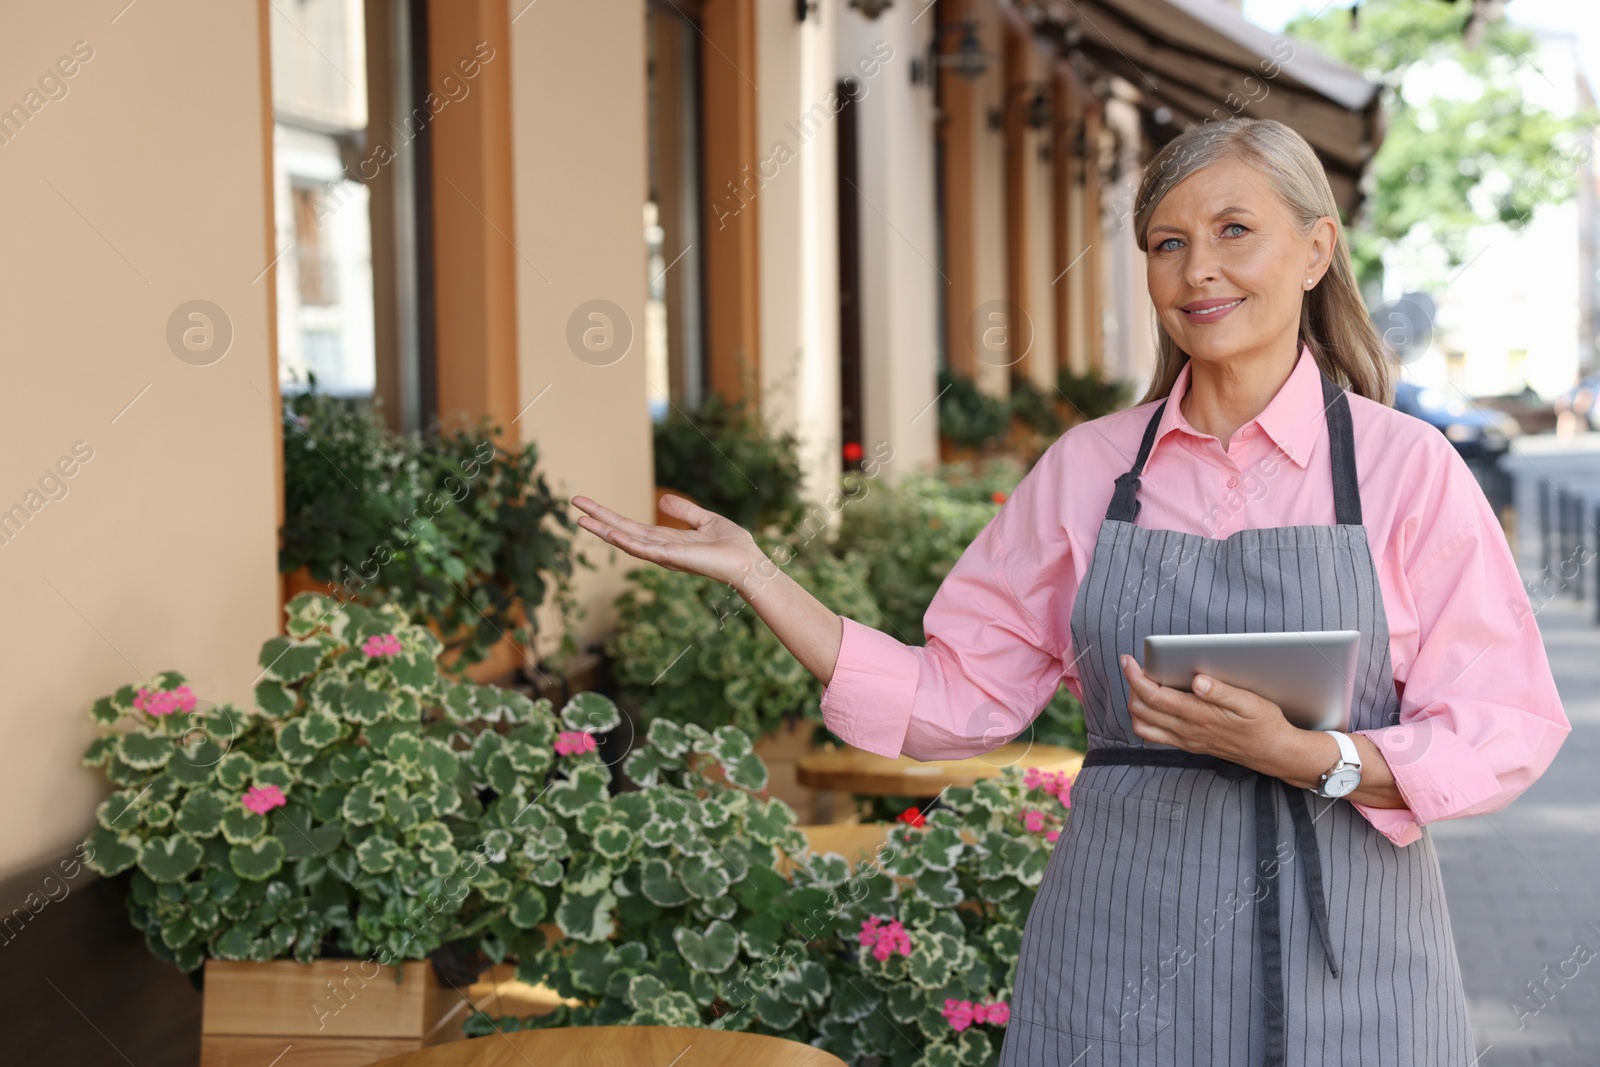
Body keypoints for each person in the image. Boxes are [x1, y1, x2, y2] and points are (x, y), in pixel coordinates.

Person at [570, 117, 1571, 1066]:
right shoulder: (1088, 470)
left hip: (1353, 944)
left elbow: (1504, 720)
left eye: (1234, 232)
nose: (1198, 269)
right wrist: (758, 574)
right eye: (1167, 243)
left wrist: (1314, 755)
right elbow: (948, 701)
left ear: (1314, 250)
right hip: (1121, 942)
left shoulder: (1407, 469)